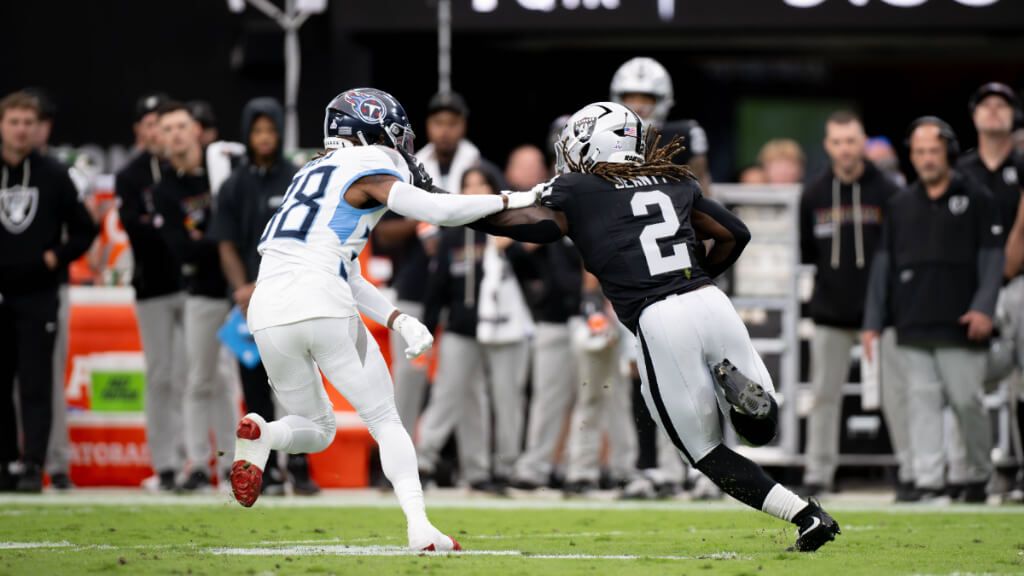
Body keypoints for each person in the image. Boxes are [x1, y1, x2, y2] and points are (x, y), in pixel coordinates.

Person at [471, 101, 840, 552]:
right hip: (710, 300)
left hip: (660, 316)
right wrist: (696, 272)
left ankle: (805, 516)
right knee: (759, 431)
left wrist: (449, 208)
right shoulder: (674, 178)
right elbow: (734, 233)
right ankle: (748, 405)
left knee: (701, 452)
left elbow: (525, 225)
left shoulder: (578, 189)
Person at [229, 88, 536, 551]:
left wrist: (396, 319)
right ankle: (419, 527)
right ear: (372, 129)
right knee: (385, 418)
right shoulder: (371, 162)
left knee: (317, 429)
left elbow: (342, 268)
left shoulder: (308, 172)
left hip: (267, 309)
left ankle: (263, 432)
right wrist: (514, 199)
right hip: (322, 301)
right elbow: (438, 210)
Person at [863, 117, 1002, 503]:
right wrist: (873, 322)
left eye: (933, 151)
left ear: (949, 154)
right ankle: (928, 480)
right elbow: (883, 265)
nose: (926, 159)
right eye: (919, 152)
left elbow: (993, 258)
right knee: (920, 403)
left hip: (962, 321)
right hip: (912, 320)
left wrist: (984, 308)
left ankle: (975, 476)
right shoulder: (900, 203)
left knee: (966, 401)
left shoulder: (977, 198)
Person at [212, 97, 320, 497]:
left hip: (293, 300)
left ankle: (302, 467)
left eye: (270, 131)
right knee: (255, 389)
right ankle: (269, 471)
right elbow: (225, 242)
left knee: (298, 387)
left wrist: (263, 285)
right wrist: (243, 288)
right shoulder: (233, 185)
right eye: (257, 131)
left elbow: (306, 241)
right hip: (249, 308)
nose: (264, 138)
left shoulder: (299, 180)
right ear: (247, 135)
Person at [0, 91, 97, 492]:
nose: (21, 129)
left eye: (28, 122)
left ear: (37, 127)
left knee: (37, 383)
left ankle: (33, 465)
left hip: (39, 295)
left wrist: (57, 257)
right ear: (2, 125)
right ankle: (5, 463)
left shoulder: (54, 174)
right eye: (13, 121)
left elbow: (85, 229)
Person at [798, 111, 899, 496]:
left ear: (863, 142)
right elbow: (808, 253)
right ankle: (818, 473)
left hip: (881, 314)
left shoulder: (888, 191)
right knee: (823, 394)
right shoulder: (814, 194)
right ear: (828, 146)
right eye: (837, 142)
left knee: (896, 393)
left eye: (851, 141)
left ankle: (914, 470)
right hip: (830, 311)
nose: (844, 149)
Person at [416, 167, 533, 493]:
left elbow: (531, 272)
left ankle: (503, 468)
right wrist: (424, 331)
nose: (474, 189)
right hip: (460, 329)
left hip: (504, 329)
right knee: (451, 398)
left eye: (481, 183)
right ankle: (424, 463)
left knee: (507, 399)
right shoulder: (450, 231)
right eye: (467, 185)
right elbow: (436, 286)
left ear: (493, 188)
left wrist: (513, 247)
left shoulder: (508, 226)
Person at [151, 101, 236, 492]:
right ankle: (199, 463)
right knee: (199, 379)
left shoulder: (225, 167)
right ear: (160, 138)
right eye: (168, 129)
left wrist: (211, 238)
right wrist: (219, 239)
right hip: (203, 293)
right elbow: (181, 249)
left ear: (197, 130)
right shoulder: (165, 189)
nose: (177, 134)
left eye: (182, 125)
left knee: (234, 381)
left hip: (243, 291)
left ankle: (240, 464)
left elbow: (244, 225)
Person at [116, 92, 189, 492]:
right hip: (152, 286)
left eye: (160, 122)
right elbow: (136, 228)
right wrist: (169, 227)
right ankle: (165, 464)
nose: (155, 130)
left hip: (194, 286)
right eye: (147, 123)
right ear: (140, 130)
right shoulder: (130, 175)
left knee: (198, 376)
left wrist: (163, 225)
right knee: (161, 375)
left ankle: (200, 461)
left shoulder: (187, 170)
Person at [610, 57, 711, 192]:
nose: (638, 107)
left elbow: (702, 192)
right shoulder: (605, 135)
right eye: (631, 98)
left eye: (646, 99)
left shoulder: (683, 136)